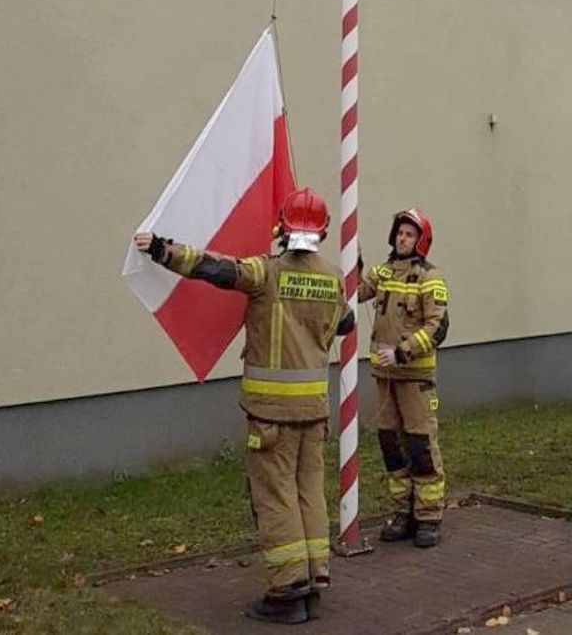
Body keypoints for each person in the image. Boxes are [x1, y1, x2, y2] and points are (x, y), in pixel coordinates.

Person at [135, 188, 353, 624]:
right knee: (310, 492)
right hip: (315, 412)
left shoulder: (265, 272)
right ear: (322, 231)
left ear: (283, 227)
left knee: (275, 498)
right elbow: (345, 322)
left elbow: (214, 269)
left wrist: (161, 249)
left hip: (272, 413)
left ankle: (288, 590)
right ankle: (313, 578)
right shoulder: (332, 278)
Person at [357, 209, 449, 548]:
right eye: (399, 233)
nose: (402, 238)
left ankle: (428, 517)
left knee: (420, 444)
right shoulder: (383, 272)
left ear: (420, 240)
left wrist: (403, 352)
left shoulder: (430, 277)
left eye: (409, 234)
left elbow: (437, 326)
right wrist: (355, 263)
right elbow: (355, 294)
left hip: (414, 376)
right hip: (385, 377)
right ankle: (401, 512)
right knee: (391, 446)